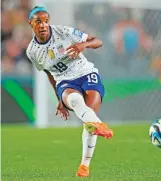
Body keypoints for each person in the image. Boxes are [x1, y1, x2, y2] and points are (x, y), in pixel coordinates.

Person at [26, 6, 113, 177]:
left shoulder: (64, 32)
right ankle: (98, 124)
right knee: (74, 101)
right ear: (31, 24)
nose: (43, 25)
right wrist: (59, 97)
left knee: (88, 119)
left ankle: (84, 166)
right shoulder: (32, 51)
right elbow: (48, 72)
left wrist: (83, 45)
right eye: (38, 21)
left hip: (86, 74)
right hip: (65, 81)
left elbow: (98, 41)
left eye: (45, 21)